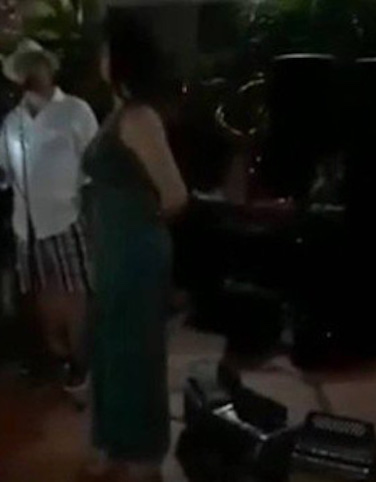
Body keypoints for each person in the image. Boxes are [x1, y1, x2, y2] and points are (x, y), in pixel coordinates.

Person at [83, 13, 188, 481]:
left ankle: (144, 456)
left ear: (121, 57)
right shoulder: (120, 111)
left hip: (134, 250)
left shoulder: (140, 117)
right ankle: (115, 445)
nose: (99, 58)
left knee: (135, 352)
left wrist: (136, 224)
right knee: (110, 349)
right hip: (114, 247)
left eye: (106, 50)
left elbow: (175, 194)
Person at [0, 39, 97, 393]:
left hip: (66, 218)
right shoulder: (13, 121)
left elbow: (94, 164)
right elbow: (5, 171)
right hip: (26, 225)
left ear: (48, 67)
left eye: (36, 64)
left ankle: (82, 362)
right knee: (42, 295)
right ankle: (58, 357)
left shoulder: (75, 111)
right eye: (24, 67)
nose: (31, 73)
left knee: (74, 293)